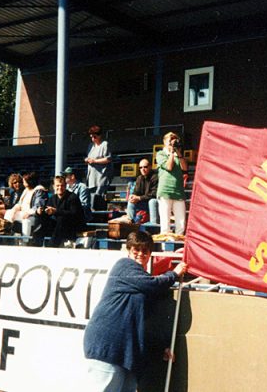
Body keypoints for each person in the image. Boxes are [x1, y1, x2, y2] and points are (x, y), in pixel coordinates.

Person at [83, 231, 187, 391]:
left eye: (145, 251)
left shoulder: (142, 283)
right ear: (128, 251)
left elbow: (144, 323)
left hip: (126, 353)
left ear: (150, 254)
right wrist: (174, 273)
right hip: (108, 346)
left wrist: (160, 348)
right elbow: (153, 284)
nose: (140, 254)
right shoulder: (124, 265)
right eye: (136, 250)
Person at [38, 175, 86, 247]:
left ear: (66, 186)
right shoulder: (52, 198)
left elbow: (74, 214)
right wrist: (40, 212)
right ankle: (35, 244)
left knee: (61, 219)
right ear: (53, 186)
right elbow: (47, 213)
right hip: (58, 226)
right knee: (40, 220)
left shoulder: (73, 197)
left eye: (62, 185)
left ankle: (51, 246)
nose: (60, 188)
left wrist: (56, 211)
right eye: (57, 186)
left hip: (73, 225)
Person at [156, 132, 188, 235]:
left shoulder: (178, 155)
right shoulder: (160, 154)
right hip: (165, 191)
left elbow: (185, 168)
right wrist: (171, 153)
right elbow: (169, 167)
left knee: (181, 223)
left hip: (178, 192)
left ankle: (178, 246)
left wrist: (178, 152)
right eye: (170, 140)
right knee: (165, 223)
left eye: (174, 140)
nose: (171, 142)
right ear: (164, 142)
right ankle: (166, 246)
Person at [4, 172, 47, 242]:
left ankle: (25, 242)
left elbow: (38, 206)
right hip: (22, 213)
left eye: (23, 181)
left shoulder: (39, 190)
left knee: (26, 221)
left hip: (34, 215)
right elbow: (19, 204)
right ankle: (7, 238)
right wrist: (13, 211)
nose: (22, 183)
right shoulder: (26, 190)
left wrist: (28, 213)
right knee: (8, 213)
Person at [84, 125, 112, 211]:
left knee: (99, 197)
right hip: (91, 176)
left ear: (99, 135)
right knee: (92, 197)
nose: (92, 138)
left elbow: (108, 159)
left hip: (101, 176)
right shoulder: (90, 146)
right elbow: (88, 157)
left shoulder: (105, 144)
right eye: (91, 136)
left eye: (94, 136)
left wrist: (94, 161)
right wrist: (87, 160)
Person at [126, 158, 159, 224]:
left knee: (152, 201)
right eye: (140, 167)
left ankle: (153, 226)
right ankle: (131, 224)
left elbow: (154, 194)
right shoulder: (139, 178)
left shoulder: (155, 177)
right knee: (131, 202)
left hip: (155, 202)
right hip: (143, 202)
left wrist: (139, 198)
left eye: (145, 167)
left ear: (150, 167)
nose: (142, 169)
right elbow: (136, 192)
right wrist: (132, 197)